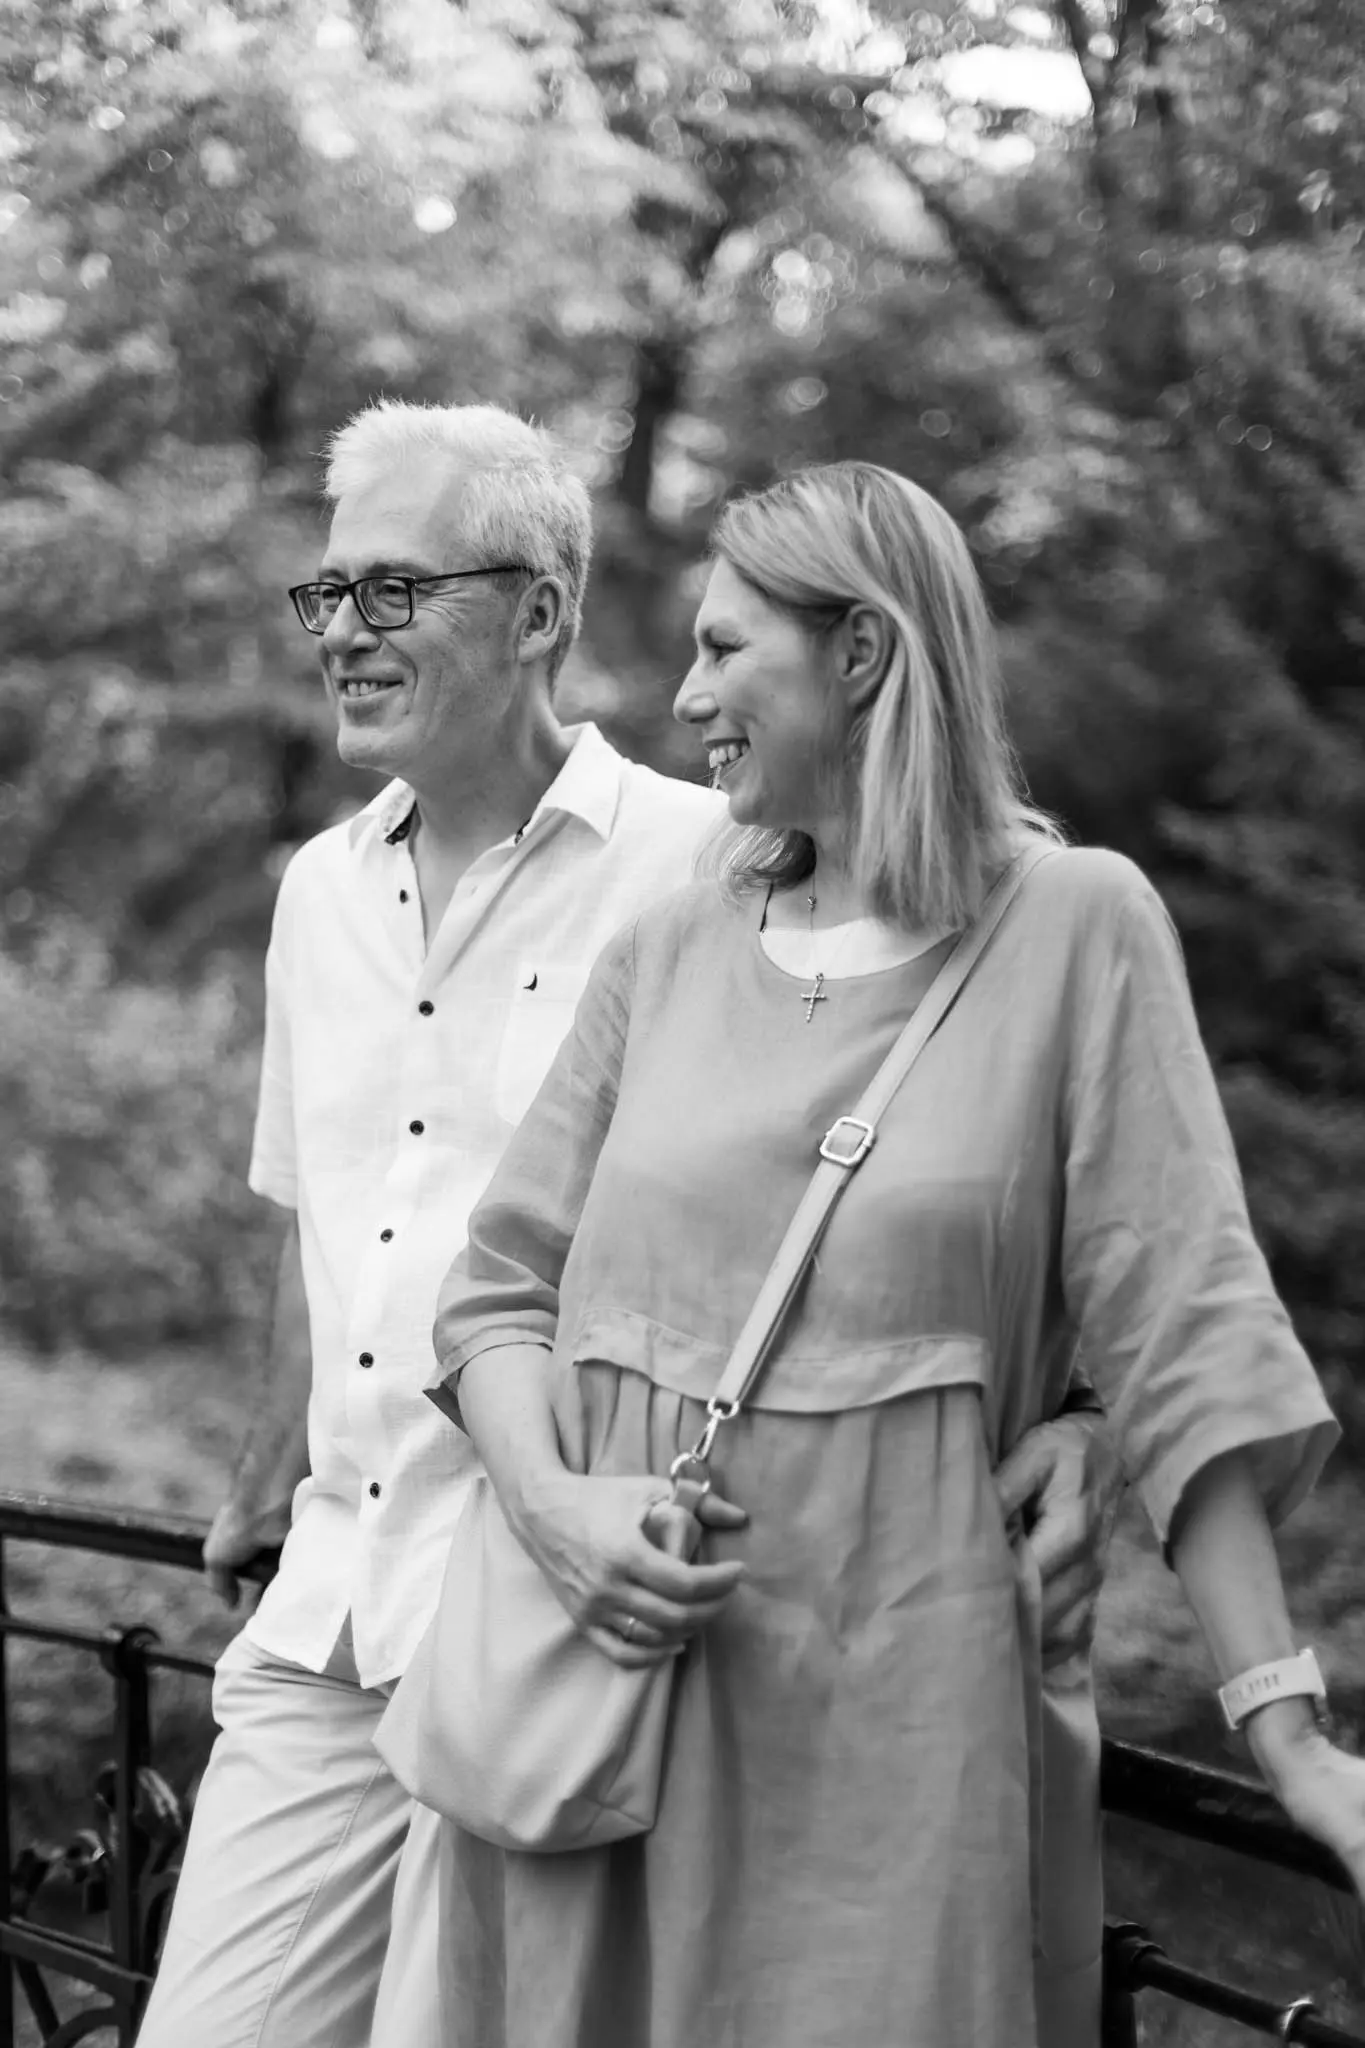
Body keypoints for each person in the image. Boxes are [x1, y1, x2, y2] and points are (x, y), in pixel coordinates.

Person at [135, 409, 1114, 2048]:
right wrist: (263, 1471)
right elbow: (329, 1226)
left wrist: (1077, 1410)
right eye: (329, 594)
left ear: (538, 611)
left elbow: (976, 1123)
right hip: (337, 1613)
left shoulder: (722, 857)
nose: (343, 632)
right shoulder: (317, 892)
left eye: (393, 590)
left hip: (586, 1631)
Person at [427, 460, 1363, 2048]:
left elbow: (1188, 1333)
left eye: (726, 648)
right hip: (598, 1713)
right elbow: (497, 1291)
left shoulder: (1077, 925)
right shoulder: (669, 944)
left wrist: (1287, 1736)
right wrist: (553, 1508)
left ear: (860, 652)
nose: (687, 694)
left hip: (898, 1732)